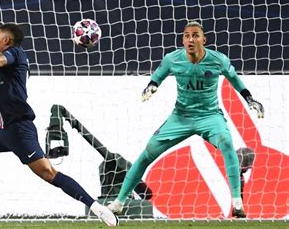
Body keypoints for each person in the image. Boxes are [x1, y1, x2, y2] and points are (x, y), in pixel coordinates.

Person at [0, 23, 118, 226]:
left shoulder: (15, 53)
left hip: (21, 130)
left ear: (6, 41)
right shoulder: (5, 72)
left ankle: (97, 209)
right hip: (6, 132)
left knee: (49, 174)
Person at [107, 21, 264, 218]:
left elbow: (235, 80)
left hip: (209, 116)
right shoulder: (172, 59)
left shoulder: (218, 60)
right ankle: (119, 202)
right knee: (147, 153)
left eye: (195, 35)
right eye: (187, 35)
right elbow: (158, 76)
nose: (191, 39)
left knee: (226, 144)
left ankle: (237, 202)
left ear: (203, 40)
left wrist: (250, 99)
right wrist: (151, 86)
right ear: (183, 40)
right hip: (180, 117)